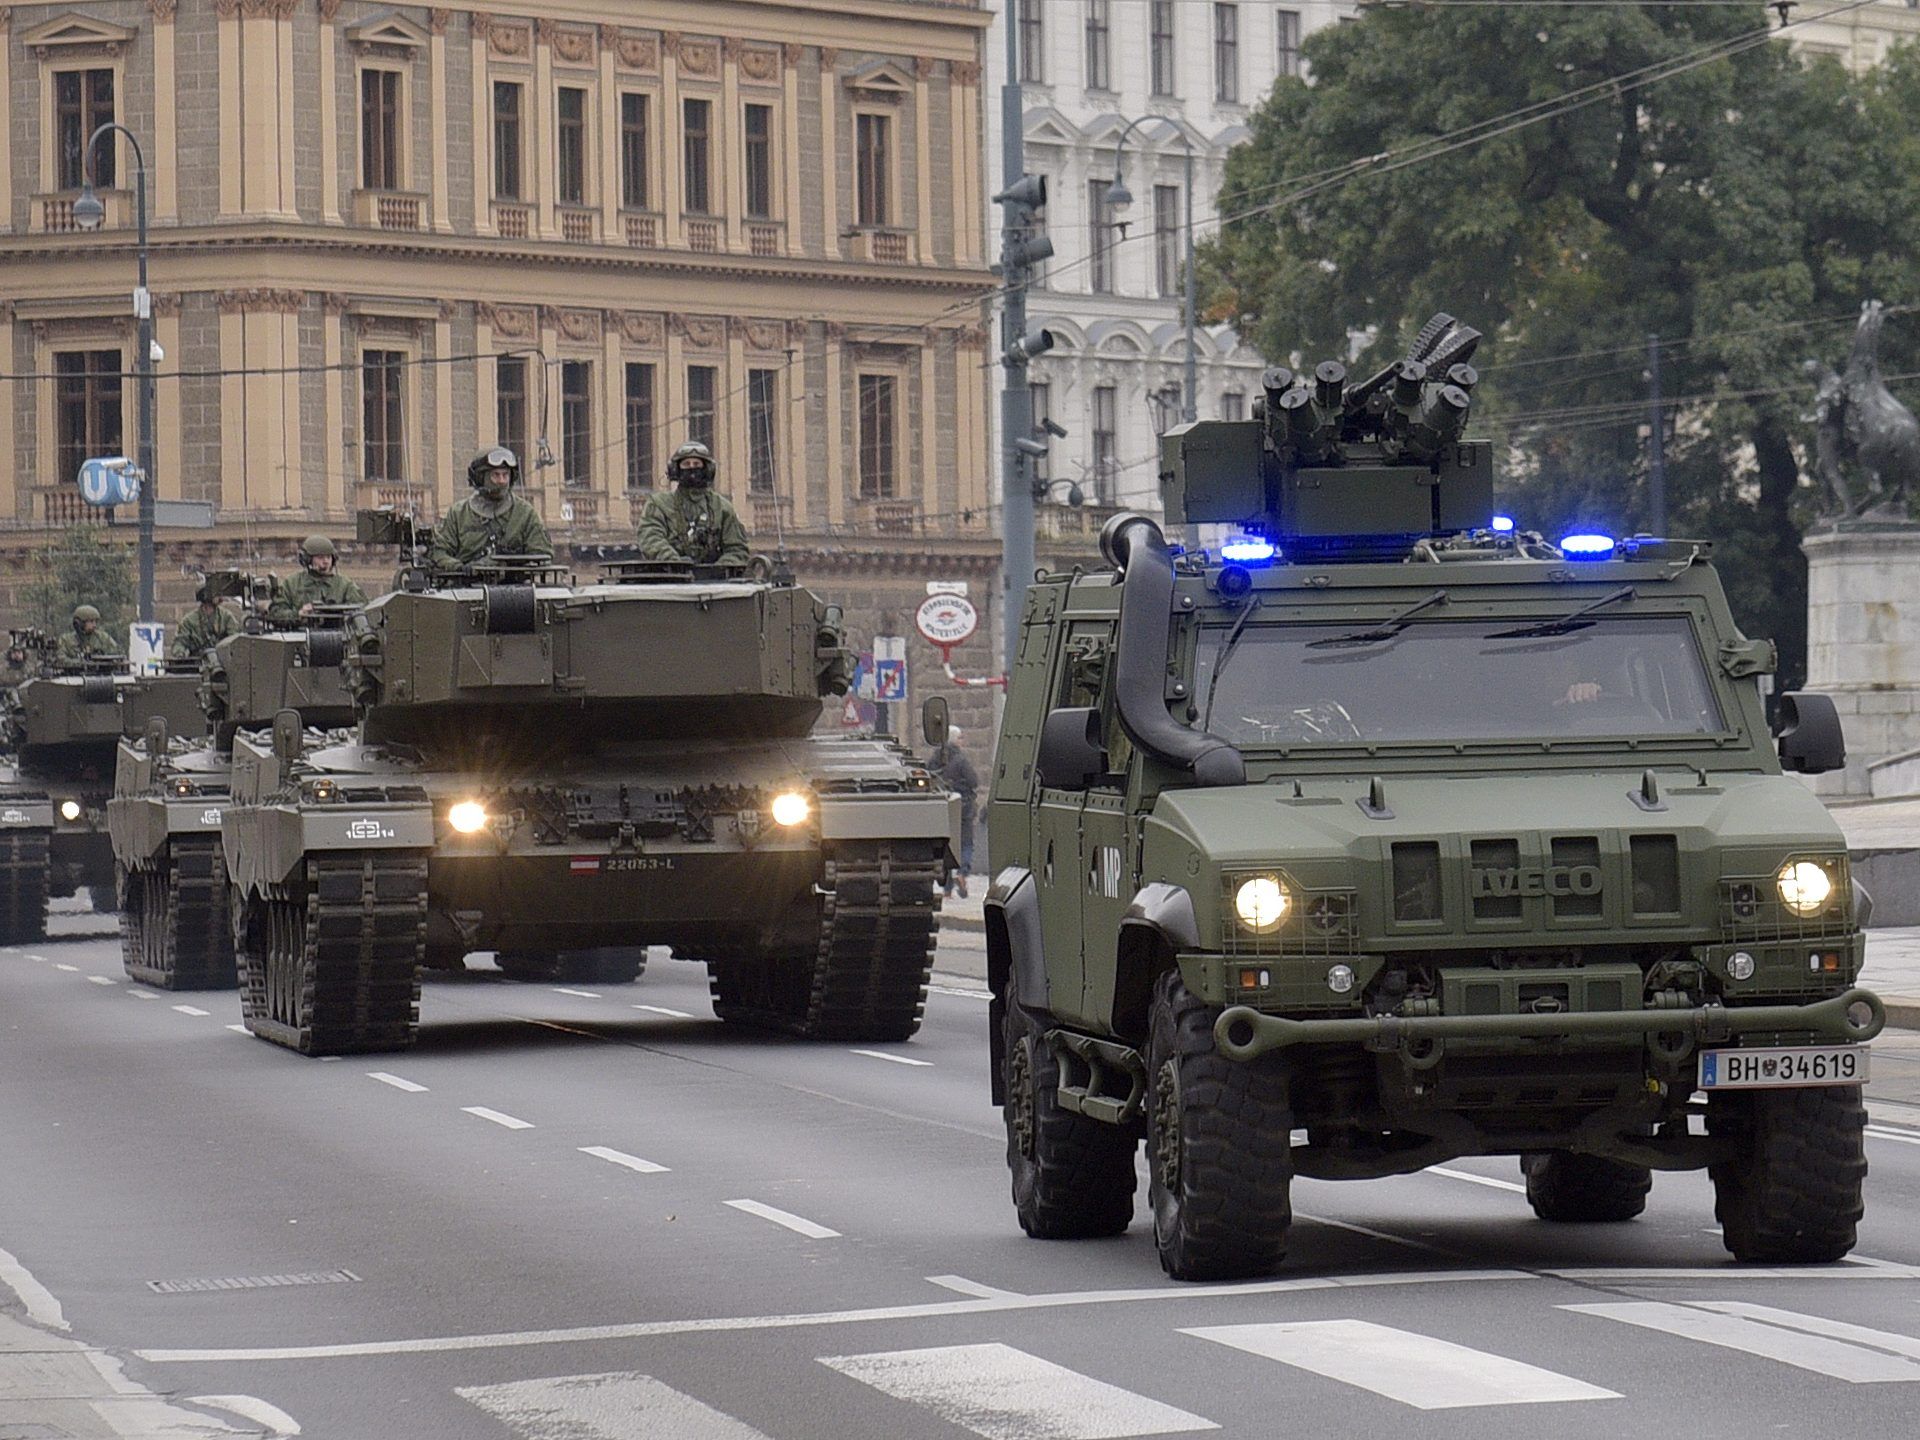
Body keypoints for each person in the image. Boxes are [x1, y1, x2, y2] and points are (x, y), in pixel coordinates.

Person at [429, 446, 552, 572]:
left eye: (505, 475)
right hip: (466, 585)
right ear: (480, 478)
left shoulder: (525, 513)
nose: (502, 481)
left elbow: (542, 554)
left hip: (516, 584)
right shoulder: (459, 514)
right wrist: (460, 568)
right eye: (496, 475)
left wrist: (511, 561)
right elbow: (439, 552)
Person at [635, 441, 751, 566]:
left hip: (714, 582)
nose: (692, 468)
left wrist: (720, 569)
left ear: (707, 469)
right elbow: (651, 538)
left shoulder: (722, 507)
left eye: (697, 464)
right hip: (669, 578)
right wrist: (674, 562)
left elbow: (737, 548)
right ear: (676, 469)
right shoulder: (659, 504)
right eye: (686, 464)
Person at [268, 536, 368, 627]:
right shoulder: (292, 583)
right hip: (299, 635)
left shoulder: (344, 585)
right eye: (320, 557)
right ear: (307, 559)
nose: (326, 561)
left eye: (328, 557)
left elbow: (363, 609)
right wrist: (298, 614)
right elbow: (276, 613)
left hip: (338, 637)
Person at [928, 725, 979, 899]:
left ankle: (947, 890)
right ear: (954, 740)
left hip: (942, 807)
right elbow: (974, 781)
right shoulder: (961, 760)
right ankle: (962, 873)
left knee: (946, 846)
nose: (962, 741)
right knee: (965, 843)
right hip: (963, 806)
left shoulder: (935, 759)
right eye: (960, 737)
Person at [172, 584, 240, 659]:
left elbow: (235, 639)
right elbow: (180, 641)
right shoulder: (189, 620)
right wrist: (180, 653)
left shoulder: (226, 617)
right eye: (216, 593)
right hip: (199, 661)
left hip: (222, 661)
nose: (220, 596)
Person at [56, 605, 121, 663]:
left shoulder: (103, 638)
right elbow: (60, 658)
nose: (94, 625)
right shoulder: (66, 640)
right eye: (91, 621)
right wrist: (80, 662)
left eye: (96, 621)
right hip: (73, 674)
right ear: (80, 623)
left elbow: (117, 654)